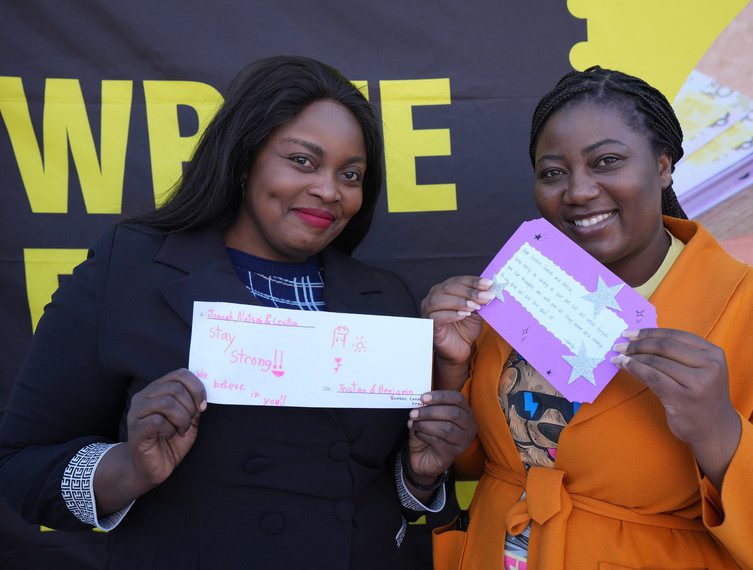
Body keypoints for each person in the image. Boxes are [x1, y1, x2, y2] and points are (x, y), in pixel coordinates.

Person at [0, 56, 476, 569]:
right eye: (302, 161)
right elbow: (22, 465)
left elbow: (387, 487)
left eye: (351, 173)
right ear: (244, 157)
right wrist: (128, 468)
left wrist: (421, 476)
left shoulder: (385, 298)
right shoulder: (131, 268)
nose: (329, 189)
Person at [423, 66, 753, 569]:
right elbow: (484, 462)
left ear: (663, 166)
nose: (578, 191)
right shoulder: (519, 290)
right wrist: (452, 367)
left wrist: (719, 431)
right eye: (553, 172)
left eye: (606, 161)